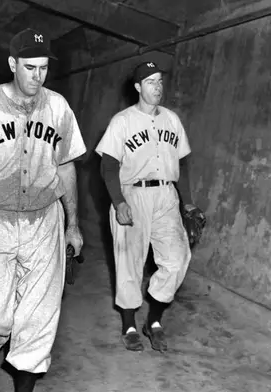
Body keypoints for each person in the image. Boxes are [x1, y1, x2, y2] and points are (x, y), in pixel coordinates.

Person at [0, 27, 86, 392]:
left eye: (42, 68)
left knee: (39, 315)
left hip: (44, 220)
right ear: (12, 64)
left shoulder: (58, 108)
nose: (37, 76)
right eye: (29, 68)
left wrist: (73, 224)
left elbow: (67, 166)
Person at [95, 61, 198, 353]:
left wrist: (187, 202)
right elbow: (108, 166)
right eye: (151, 82)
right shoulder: (122, 121)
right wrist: (119, 202)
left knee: (177, 259)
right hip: (133, 194)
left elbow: (182, 163)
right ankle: (129, 324)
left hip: (166, 195)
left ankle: (153, 320)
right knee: (129, 261)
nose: (158, 87)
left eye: (160, 81)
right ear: (138, 87)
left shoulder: (172, 119)